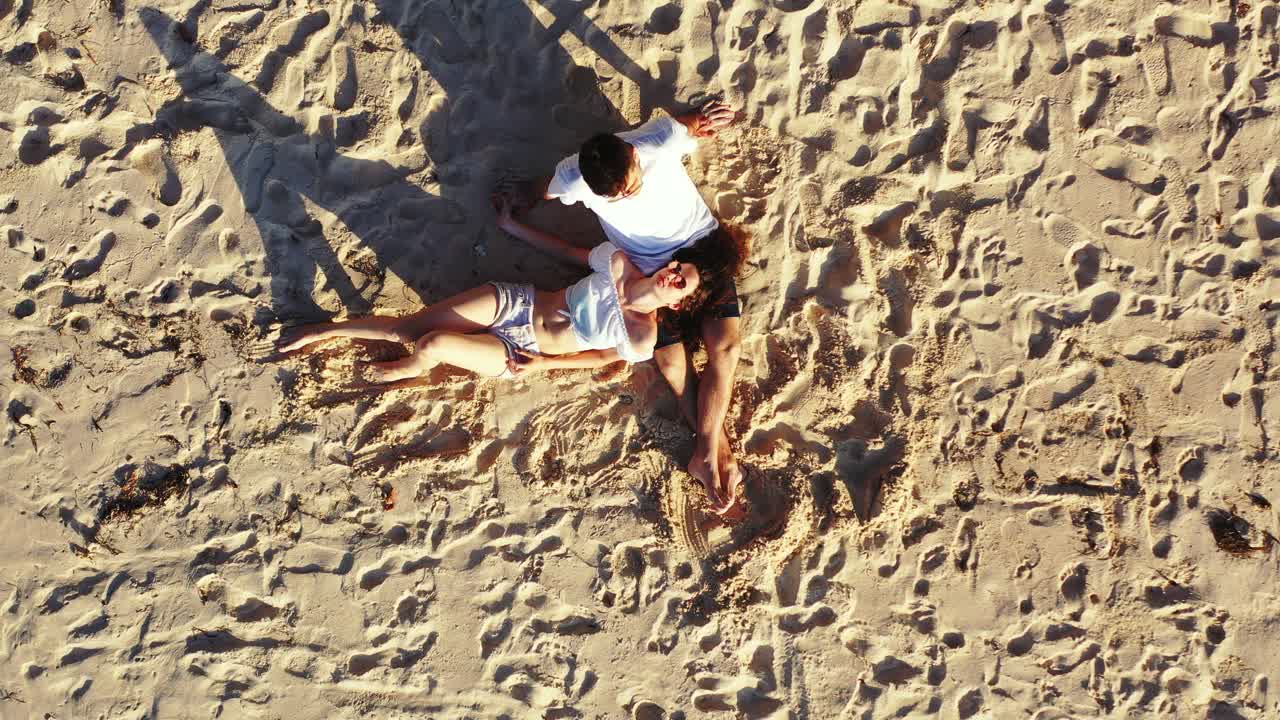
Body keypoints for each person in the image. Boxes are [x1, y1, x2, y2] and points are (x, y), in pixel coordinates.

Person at [504, 100, 746, 515]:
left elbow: (690, 126)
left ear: (634, 156)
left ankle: (707, 451)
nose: (626, 196)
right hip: (648, 274)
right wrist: (517, 201)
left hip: (702, 250)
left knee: (724, 349)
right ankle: (712, 454)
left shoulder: (656, 140)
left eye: (630, 185)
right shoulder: (574, 177)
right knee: (673, 365)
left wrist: (706, 121)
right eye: (614, 197)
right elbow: (542, 189)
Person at [275, 197, 736, 388]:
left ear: (678, 301)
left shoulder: (642, 337)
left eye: (682, 281)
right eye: (678, 266)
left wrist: (546, 364)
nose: (673, 273)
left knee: (431, 344)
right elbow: (571, 252)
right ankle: (325, 332)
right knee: (404, 328)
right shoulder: (617, 262)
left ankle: (415, 366)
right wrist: (516, 226)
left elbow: (602, 359)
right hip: (518, 301)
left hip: (521, 350)